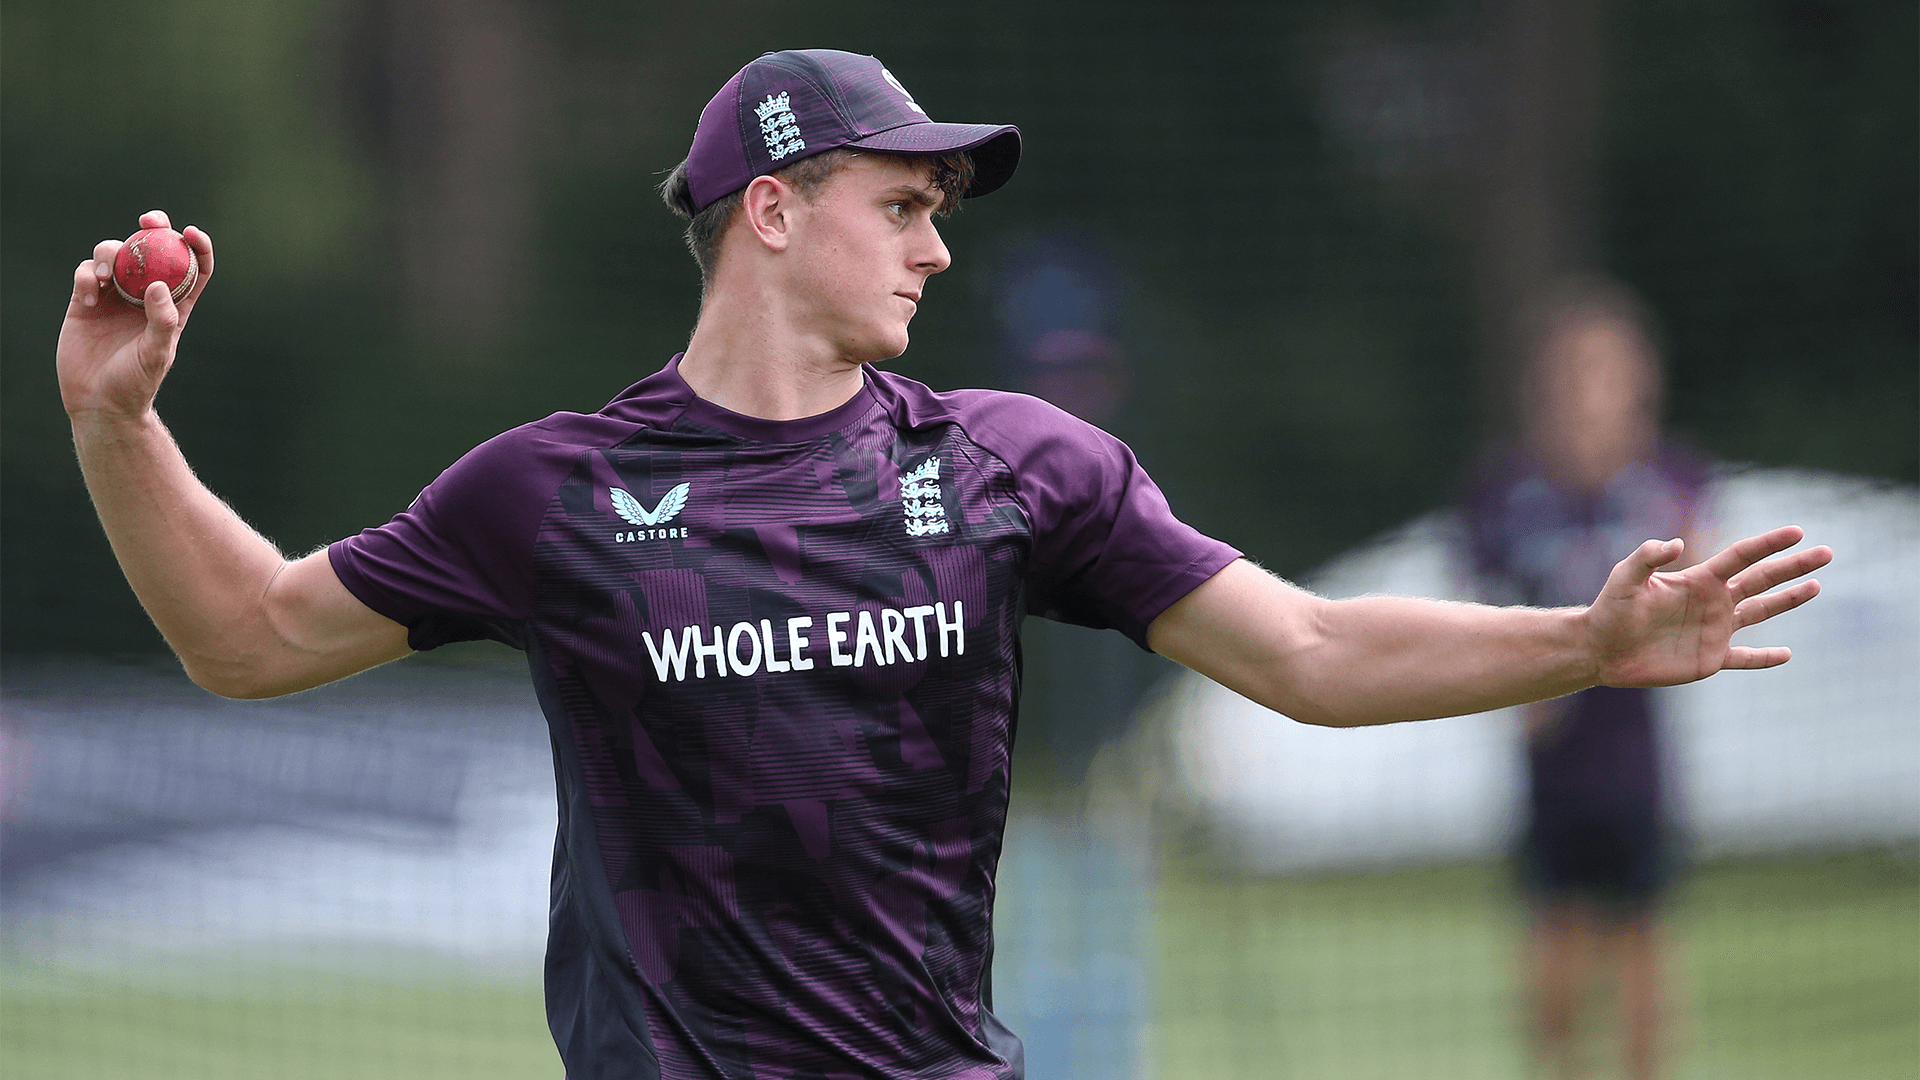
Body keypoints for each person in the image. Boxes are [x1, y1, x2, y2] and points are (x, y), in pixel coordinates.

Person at [56, 49, 1828, 1080]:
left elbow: (1303, 651)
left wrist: (1579, 642)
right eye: (900, 205)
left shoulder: (1008, 468)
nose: (936, 248)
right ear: (770, 210)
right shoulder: (557, 494)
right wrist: (116, 422)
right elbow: (249, 636)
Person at [1466, 279, 1704, 1080]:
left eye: (1610, 370)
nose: (1591, 390)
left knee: (1642, 930)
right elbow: (1475, 603)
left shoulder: (1668, 482)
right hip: (1551, 757)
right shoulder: (1506, 491)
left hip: (1636, 756)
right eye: (1575, 371)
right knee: (1555, 934)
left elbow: (1705, 574)